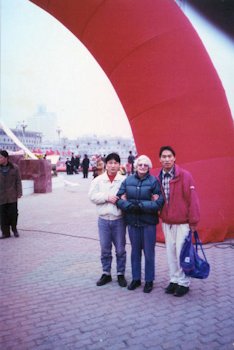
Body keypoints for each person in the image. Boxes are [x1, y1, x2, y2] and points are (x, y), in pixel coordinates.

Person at [117, 155, 164, 293]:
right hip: (133, 222)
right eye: (140, 165)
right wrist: (128, 206)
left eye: (145, 165)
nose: (142, 167)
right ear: (136, 166)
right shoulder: (128, 180)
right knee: (135, 253)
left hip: (148, 223)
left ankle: (149, 280)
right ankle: (136, 279)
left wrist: (141, 205)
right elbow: (119, 198)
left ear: (149, 167)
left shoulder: (154, 181)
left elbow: (159, 202)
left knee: (149, 253)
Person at [158, 146, 200, 297]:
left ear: (174, 158)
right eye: (164, 156)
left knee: (181, 253)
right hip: (167, 222)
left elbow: (192, 200)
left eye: (169, 156)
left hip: (182, 223)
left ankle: (184, 282)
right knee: (170, 253)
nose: (167, 159)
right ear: (160, 159)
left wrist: (193, 221)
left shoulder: (185, 176)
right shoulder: (159, 177)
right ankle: (174, 279)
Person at [88, 153, 127, 287]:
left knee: (120, 249)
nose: (112, 165)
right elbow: (92, 196)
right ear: (106, 164)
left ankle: (120, 273)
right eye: (110, 163)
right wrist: (107, 197)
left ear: (119, 165)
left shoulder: (124, 180)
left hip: (119, 219)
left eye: (115, 163)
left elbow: (127, 196)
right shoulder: (98, 180)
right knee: (105, 248)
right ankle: (106, 273)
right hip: (103, 220)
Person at [0, 150, 22, 238]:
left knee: (13, 214)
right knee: (2, 215)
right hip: (1, 196)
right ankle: (5, 233)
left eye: (0, 157)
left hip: (12, 195)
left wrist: (19, 192)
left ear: (6, 158)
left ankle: (14, 229)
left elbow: (18, 181)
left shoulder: (15, 168)